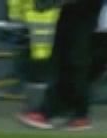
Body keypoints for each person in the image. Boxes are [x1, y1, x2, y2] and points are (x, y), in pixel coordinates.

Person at [17, 0, 101, 131]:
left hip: (81, 9)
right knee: (67, 55)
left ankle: (71, 113)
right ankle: (63, 112)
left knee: (73, 57)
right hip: (75, 10)